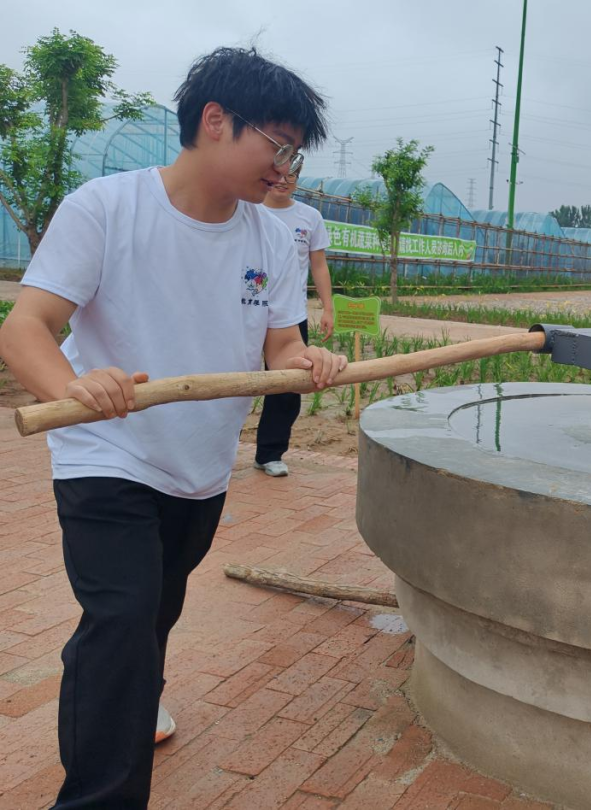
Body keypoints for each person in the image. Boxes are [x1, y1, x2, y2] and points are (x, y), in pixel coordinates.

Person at [0, 46, 347, 808]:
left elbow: (280, 344)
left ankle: (126, 694)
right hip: (106, 453)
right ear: (215, 122)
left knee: (152, 612)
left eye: (294, 151)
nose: (286, 165)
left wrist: (307, 359)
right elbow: (26, 327)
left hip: (199, 468)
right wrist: (75, 384)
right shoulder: (106, 207)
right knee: (120, 620)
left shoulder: (270, 239)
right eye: (278, 144)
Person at [254, 167, 334, 477]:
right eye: (280, 175)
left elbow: (319, 265)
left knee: (287, 384)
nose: (284, 182)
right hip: (248, 310)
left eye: (292, 177)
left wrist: (327, 309)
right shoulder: (249, 210)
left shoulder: (309, 217)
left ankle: (269, 453)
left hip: (289, 315)